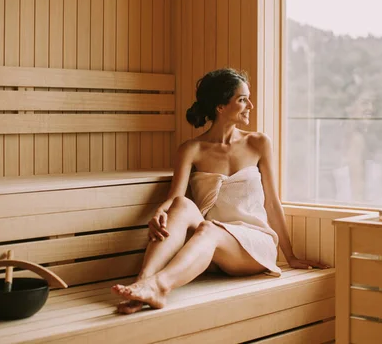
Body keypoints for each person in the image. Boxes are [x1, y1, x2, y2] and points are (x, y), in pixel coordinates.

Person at [111, 68, 328, 314]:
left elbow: (272, 202)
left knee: (208, 228)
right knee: (182, 205)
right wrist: (160, 213)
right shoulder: (191, 149)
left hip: (252, 245)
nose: (251, 105)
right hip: (209, 246)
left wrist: (290, 256)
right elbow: (174, 199)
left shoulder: (258, 143)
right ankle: (143, 282)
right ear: (220, 107)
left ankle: (159, 287)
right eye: (242, 99)